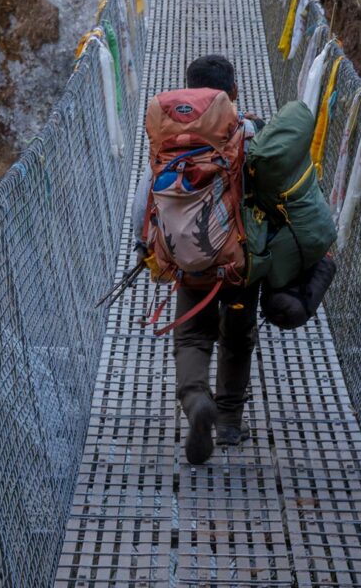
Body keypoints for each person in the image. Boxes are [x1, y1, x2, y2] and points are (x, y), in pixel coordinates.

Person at [132, 53, 263, 465]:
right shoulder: (250, 130)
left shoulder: (171, 137)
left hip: (188, 261)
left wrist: (145, 249)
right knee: (238, 337)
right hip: (240, 261)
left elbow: (145, 197)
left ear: (190, 88)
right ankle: (227, 421)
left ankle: (195, 401)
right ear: (234, 92)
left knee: (191, 336)